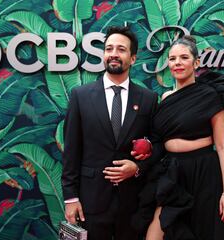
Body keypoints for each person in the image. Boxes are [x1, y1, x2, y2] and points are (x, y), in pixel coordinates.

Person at [134, 35, 224, 240]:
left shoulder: (212, 95)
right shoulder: (165, 98)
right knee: (155, 234)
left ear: (196, 62)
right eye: (172, 59)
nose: (177, 63)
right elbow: (161, 140)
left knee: (204, 232)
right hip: (173, 173)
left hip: (204, 173)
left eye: (184, 57)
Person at [61, 26, 161, 240]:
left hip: (133, 202)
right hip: (91, 201)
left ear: (132, 58)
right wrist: (70, 198)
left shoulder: (148, 98)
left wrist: (137, 167)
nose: (114, 53)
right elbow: (71, 149)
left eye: (121, 49)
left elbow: (158, 144)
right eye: (109, 48)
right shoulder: (81, 96)